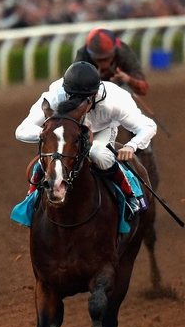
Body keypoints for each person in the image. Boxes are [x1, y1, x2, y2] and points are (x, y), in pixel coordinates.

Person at [15, 61, 157, 221]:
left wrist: (132, 145)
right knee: (48, 158)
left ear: (95, 93)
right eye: (72, 96)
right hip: (67, 134)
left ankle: (130, 195)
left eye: (82, 99)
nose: (77, 104)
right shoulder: (55, 94)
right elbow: (22, 130)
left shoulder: (115, 102)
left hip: (101, 132)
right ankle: (30, 199)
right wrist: (52, 135)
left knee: (98, 154)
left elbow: (148, 126)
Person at [74, 28, 149, 96]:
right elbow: (71, 89)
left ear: (114, 51)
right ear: (89, 54)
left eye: (106, 58)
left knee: (124, 90)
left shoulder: (124, 52)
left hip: (120, 91)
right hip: (92, 95)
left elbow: (143, 90)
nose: (103, 64)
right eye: (99, 59)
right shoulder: (82, 56)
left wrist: (129, 80)